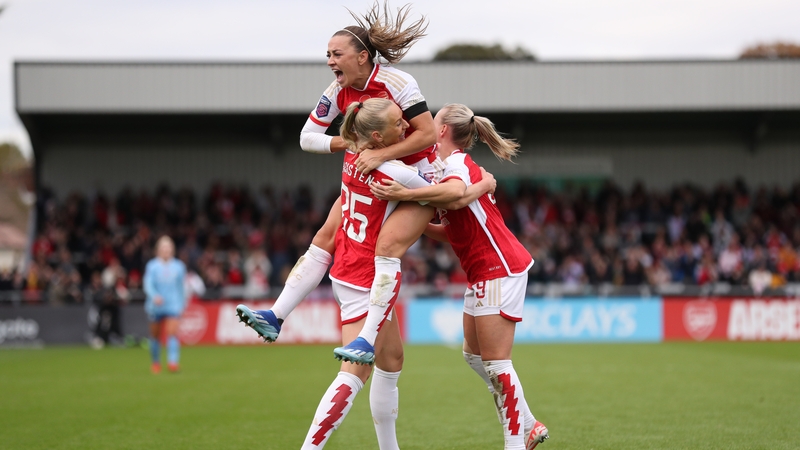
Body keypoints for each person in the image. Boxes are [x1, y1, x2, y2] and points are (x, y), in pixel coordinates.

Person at [235, 2, 441, 345]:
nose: (330, 61)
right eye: (327, 54)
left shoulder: (397, 81)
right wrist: (347, 144)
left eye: (336, 54)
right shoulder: (336, 91)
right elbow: (306, 137)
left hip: (416, 180)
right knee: (324, 237)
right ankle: (275, 315)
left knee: (386, 249)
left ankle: (365, 335)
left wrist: (380, 157)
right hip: (372, 171)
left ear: (362, 57)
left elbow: (427, 134)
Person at [368, 103, 550, 449]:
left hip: (499, 267)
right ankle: (527, 422)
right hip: (482, 271)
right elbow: (452, 223)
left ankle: (519, 440)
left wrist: (405, 195)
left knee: (497, 364)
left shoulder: (457, 164)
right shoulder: (449, 170)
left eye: (433, 121)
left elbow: (453, 197)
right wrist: (409, 228)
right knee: (474, 355)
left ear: (441, 131)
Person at [143, 236, 186, 374]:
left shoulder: (179, 266)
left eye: (168, 247)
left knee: (172, 333)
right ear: (158, 250)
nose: (166, 250)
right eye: (163, 247)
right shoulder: (152, 266)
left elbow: (181, 287)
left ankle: (173, 362)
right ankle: (155, 362)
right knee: (155, 336)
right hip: (155, 305)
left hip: (173, 305)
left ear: (172, 249)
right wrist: (154, 295)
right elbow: (147, 284)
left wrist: (181, 304)